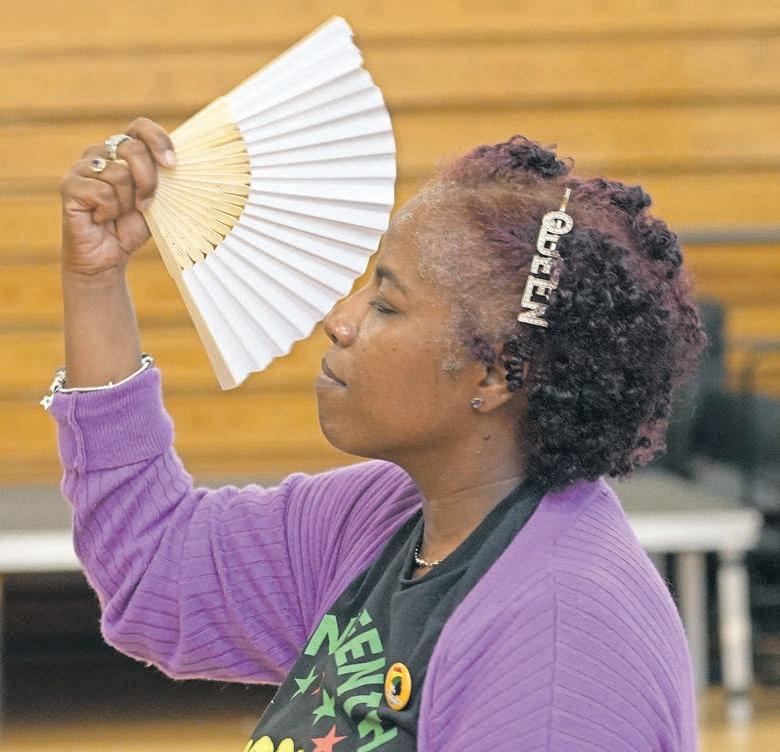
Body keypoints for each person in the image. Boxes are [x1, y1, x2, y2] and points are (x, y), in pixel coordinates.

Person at [45, 117, 707, 751]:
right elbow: (157, 567)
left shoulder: (560, 644)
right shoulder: (386, 517)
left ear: (497, 374)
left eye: (386, 303)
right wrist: (95, 278)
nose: (340, 319)